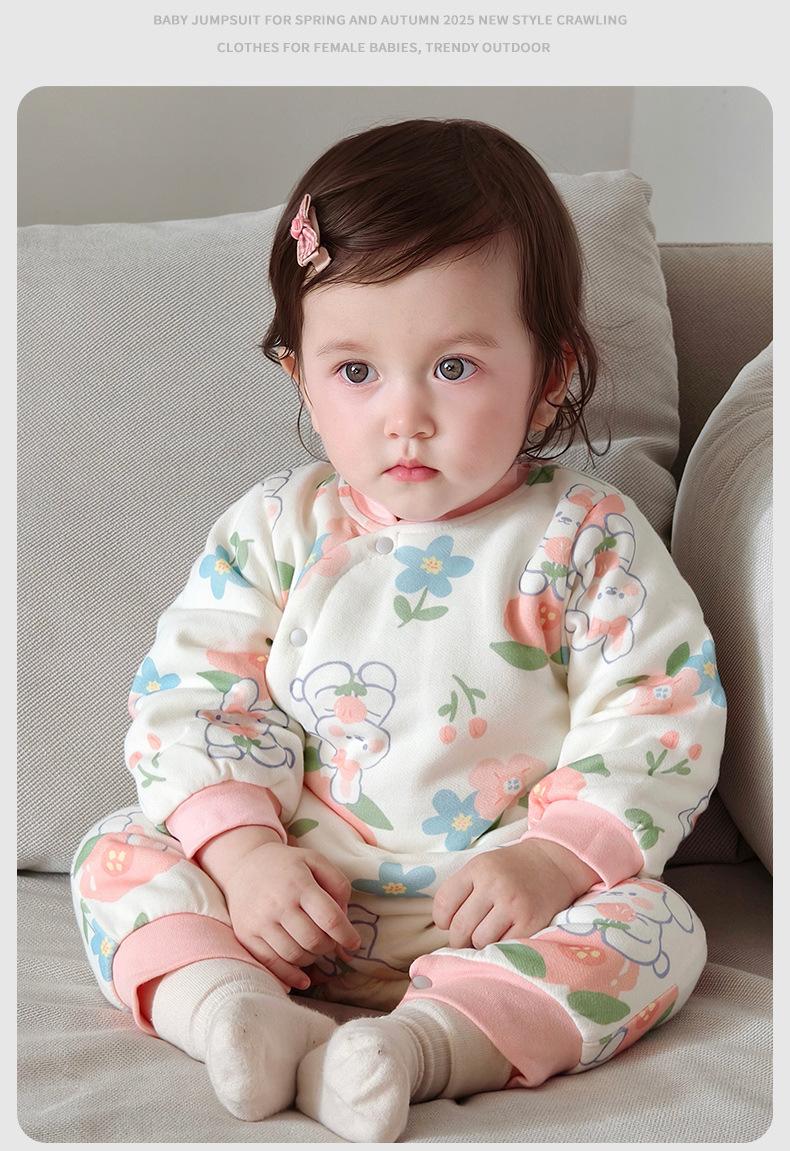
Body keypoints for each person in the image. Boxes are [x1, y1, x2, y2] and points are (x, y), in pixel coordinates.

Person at [71, 118, 726, 1142]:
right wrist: (243, 856)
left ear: (550, 373)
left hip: (501, 904)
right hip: (287, 891)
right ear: (299, 374)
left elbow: (658, 711)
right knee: (115, 851)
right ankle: (230, 1008)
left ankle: (419, 1047)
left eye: (454, 367)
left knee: (660, 929)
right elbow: (195, 697)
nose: (404, 416)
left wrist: (554, 862)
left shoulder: (584, 538)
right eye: (356, 371)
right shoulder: (277, 528)